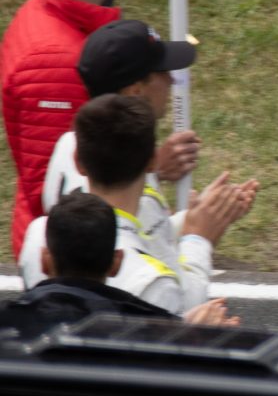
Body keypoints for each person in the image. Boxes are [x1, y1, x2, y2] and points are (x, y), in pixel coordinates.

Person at [16, 96, 250, 315]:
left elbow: (139, 233)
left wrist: (191, 220)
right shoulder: (152, 284)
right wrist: (198, 240)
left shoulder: (39, 236)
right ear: (153, 162)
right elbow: (186, 315)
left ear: (78, 162)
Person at [3, 0, 130, 253]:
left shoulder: (60, 17)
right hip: (73, 266)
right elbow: (58, 189)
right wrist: (148, 167)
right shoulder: (55, 62)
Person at [40, 20, 214, 262]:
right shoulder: (128, 182)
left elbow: (143, 236)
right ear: (135, 91)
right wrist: (199, 235)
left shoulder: (68, 145)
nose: (172, 81)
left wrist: (198, 215)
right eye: (162, 72)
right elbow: (172, 291)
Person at [2, 192, 235, 337]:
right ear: (116, 263)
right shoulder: (148, 332)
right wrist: (191, 333)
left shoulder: (9, 322)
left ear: (44, 260)